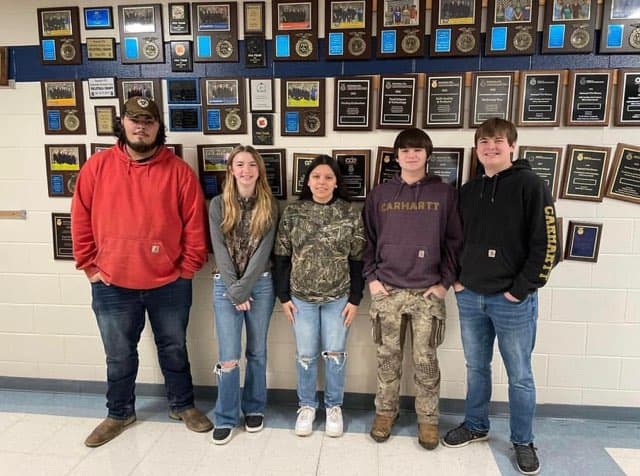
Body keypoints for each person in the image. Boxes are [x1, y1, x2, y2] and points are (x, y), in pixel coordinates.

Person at [71, 96, 212, 447]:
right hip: (112, 283)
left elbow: (195, 227)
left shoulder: (179, 171)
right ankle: (119, 412)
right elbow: (80, 219)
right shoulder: (97, 167)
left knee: (174, 347)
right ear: (122, 122)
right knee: (118, 354)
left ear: (158, 127)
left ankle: (183, 405)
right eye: (135, 119)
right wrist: (89, 266)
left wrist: (187, 270)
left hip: (170, 283)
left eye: (148, 121)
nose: (141, 127)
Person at [443, 118, 559, 476]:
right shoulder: (467, 190)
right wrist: (458, 281)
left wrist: (520, 290)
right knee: (476, 368)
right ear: (476, 149)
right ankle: (476, 425)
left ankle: (523, 440)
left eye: (497, 141)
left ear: (512, 146)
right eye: (483, 142)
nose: (490, 147)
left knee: (520, 374)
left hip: (512, 301)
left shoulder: (531, 185)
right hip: (470, 297)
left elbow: (547, 244)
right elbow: (453, 240)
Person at [363, 128, 463, 450]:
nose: (411, 155)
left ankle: (428, 419)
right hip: (387, 291)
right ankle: (385, 413)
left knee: (425, 361)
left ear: (427, 155)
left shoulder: (444, 194)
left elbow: (454, 242)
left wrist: (444, 283)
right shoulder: (379, 194)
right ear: (396, 156)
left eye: (418, 150)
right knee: (387, 359)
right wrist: (372, 278)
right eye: (405, 150)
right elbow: (367, 240)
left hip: (427, 294)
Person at [274, 155, 365, 438]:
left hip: (339, 297)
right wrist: (283, 296)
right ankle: (307, 406)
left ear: (337, 182)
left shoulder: (350, 212)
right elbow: (281, 256)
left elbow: (358, 258)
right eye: (316, 177)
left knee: (335, 354)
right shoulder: (293, 212)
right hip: (300, 297)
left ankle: (334, 407)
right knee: (305, 354)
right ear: (308, 181)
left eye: (328, 177)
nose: (322, 182)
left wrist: (355, 299)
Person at [208, 146, 279, 445]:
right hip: (225, 286)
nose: (246, 170)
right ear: (231, 170)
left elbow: (264, 251)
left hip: (260, 285)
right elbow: (219, 249)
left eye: (252, 164)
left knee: (257, 352)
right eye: (240, 164)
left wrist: (244, 288)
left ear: (259, 170)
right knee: (228, 356)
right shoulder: (217, 204)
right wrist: (235, 290)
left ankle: (254, 408)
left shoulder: (270, 205)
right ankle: (225, 415)